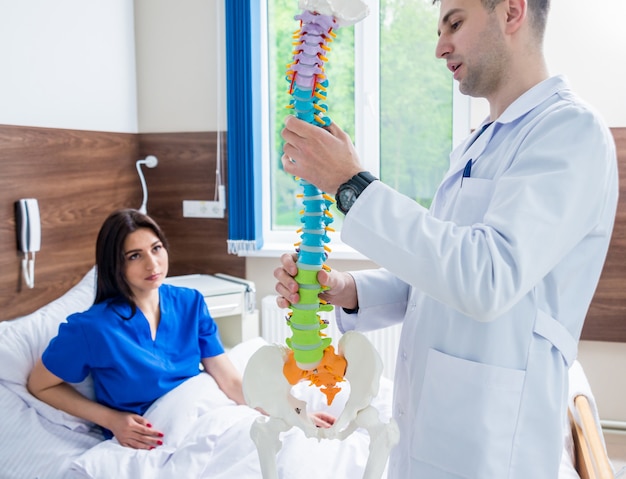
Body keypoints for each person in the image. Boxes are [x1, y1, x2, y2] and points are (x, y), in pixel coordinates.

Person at [275, 0, 619, 477]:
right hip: (431, 429)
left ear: (512, 12)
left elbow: (487, 277)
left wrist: (351, 185)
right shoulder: (478, 145)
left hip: (491, 445)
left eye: (454, 23)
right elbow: (440, 274)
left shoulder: (569, 131)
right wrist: (348, 291)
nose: (440, 47)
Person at [27, 209, 335, 450]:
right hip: (157, 433)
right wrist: (111, 419)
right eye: (135, 256)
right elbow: (40, 384)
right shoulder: (91, 328)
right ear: (114, 265)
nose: (153, 264)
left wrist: (291, 413)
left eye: (156, 248)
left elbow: (228, 381)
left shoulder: (190, 303)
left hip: (206, 413)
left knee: (289, 444)